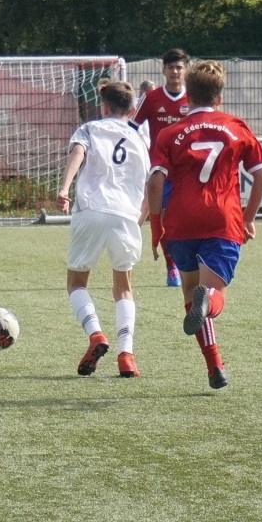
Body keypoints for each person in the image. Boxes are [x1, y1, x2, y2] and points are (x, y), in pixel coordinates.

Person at [146, 60, 262, 390]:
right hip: (221, 219)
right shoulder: (235, 126)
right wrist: (248, 218)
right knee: (214, 295)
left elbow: (155, 182)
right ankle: (210, 299)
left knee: (190, 292)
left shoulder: (170, 133)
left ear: (187, 96)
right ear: (219, 96)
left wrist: (156, 227)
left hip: (180, 221)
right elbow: (261, 175)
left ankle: (214, 366)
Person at [56, 80, 150, 378]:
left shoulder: (90, 129)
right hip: (126, 216)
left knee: (76, 283)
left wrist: (64, 189)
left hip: (92, 210)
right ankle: (126, 355)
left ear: (104, 107)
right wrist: (139, 219)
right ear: (131, 110)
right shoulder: (140, 138)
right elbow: (150, 184)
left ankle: (96, 334)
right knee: (124, 287)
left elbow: (78, 153)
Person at [132, 48, 190, 288]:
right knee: (164, 218)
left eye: (179, 67)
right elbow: (131, 127)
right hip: (161, 170)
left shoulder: (193, 97)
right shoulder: (151, 98)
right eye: (171, 67)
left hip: (189, 170)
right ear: (163, 70)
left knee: (189, 218)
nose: (175, 72)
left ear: (185, 70)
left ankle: (191, 261)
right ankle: (171, 266)